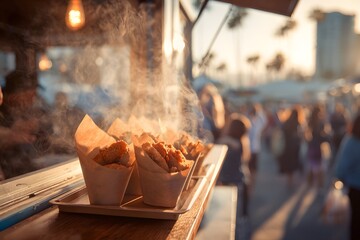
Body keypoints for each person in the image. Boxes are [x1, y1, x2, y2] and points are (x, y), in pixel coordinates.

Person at [0, 71, 51, 179]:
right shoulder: (3, 111)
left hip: (28, 165)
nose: (32, 100)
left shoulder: (27, 111)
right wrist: (10, 133)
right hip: (12, 175)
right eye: (29, 95)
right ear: (15, 94)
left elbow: (44, 138)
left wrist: (37, 126)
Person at [216, 113, 251, 240]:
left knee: (231, 220)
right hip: (238, 183)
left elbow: (221, 141)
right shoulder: (242, 142)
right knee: (235, 218)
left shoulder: (233, 144)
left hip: (231, 184)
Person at [335, 114, 360, 240]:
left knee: (356, 219)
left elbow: (342, 165)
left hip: (355, 187)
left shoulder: (351, 141)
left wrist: (339, 178)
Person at [305, 104, 330, 188]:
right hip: (319, 147)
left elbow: (307, 135)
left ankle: (310, 182)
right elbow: (324, 135)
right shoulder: (321, 122)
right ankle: (319, 183)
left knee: (312, 165)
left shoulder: (310, 122)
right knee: (320, 166)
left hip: (312, 146)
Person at [278, 106, 304, 186]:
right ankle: (291, 180)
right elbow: (299, 135)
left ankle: (289, 180)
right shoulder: (297, 123)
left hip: (286, 146)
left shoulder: (286, 122)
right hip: (294, 146)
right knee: (292, 163)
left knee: (288, 163)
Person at [247, 102, 267, 189]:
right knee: (249, 167)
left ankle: (251, 183)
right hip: (249, 148)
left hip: (254, 148)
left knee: (253, 168)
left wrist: (259, 110)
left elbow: (264, 120)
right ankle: (249, 182)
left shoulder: (258, 121)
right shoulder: (248, 120)